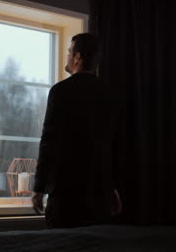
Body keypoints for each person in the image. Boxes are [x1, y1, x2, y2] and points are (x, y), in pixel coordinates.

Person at [31, 33, 122, 228]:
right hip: (99, 194)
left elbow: (49, 142)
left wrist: (39, 188)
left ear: (78, 57)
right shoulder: (110, 96)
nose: (67, 56)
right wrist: (112, 187)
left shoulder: (60, 91)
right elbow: (112, 146)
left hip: (66, 194)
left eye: (69, 52)